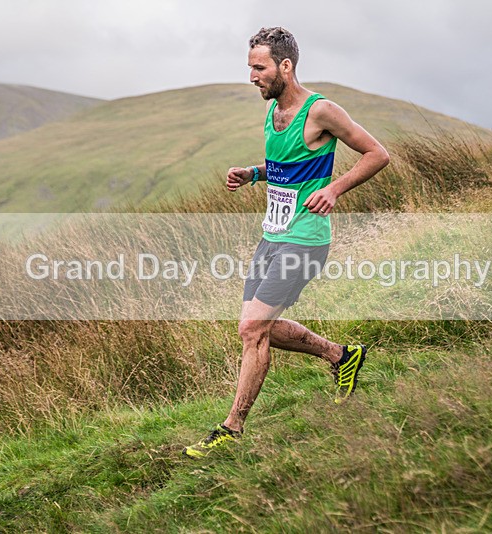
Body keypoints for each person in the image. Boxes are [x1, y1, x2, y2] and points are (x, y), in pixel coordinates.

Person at [183, 27, 389, 458]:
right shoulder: (273, 110)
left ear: (285, 66)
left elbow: (377, 154)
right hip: (271, 236)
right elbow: (285, 166)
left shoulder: (321, 111)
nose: (252, 76)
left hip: (306, 239)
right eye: (250, 68)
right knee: (260, 330)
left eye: (259, 68)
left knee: (251, 329)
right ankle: (340, 355)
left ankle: (231, 428)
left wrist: (334, 190)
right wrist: (253, 173)